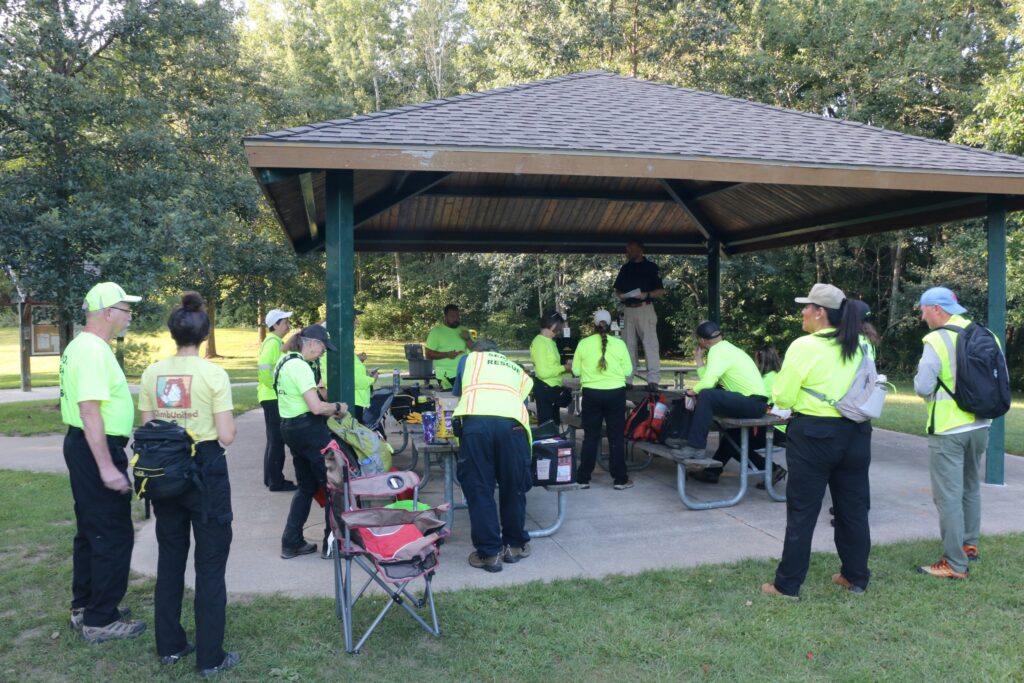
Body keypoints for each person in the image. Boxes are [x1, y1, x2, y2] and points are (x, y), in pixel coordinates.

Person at [138, 293, 239, 676]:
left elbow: (149, 427)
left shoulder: (152, 373)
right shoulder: (213, 374)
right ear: (204, 333)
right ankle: (211, 657)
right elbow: (226, 435)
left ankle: (170, 645)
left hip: (164, 473)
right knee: (210, 565)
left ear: (172, 331)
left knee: (170, 558)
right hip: (206, 472)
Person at [762, 284, 875, 599]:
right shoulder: (864, 344)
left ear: (820, 312)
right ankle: (855, 578)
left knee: (802, 511)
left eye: (806, 306)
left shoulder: (804, 346)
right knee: (853, 509)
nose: (803, 312)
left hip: (813, 435)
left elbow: (782, 395)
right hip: (857, 434)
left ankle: (787, 585)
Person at [59, 281, 147, 642]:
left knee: (91, 529)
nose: (130, 315)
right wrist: (107, 466)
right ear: (109, 313)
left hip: (82, 445)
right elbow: (89, 410)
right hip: (96, 448)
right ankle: (100, 619)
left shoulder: (81, 346)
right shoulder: (93, 350)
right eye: (126, 309)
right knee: (112, 532)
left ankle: (86, 606)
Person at [913, 287, 991, 579]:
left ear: (937, 309)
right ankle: (970, 545)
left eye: (923, 309)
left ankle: (955, 563)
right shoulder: (985, 334)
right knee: (970, 487)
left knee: (947, 496)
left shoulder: (936, 339)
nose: (922, 316)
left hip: (948, 429)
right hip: (981, 425)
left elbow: (922, 387)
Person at [451, 340, 534, 572]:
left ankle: (489, 555)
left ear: (476, 352)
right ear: (497, 353)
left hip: (476, 425)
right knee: (513, 485)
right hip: (513, 427)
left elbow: (459, 393)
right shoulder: (514, 366)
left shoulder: (468, 360)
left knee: (479, 488)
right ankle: (514, 546)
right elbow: (523, 401)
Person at [275, 325, 348, 560]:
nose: (323, 352)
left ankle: (291, 541)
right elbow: (316, 407)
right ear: (312, 343)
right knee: (333, 485)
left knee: (306, 487)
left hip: (289, 428)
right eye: (323, 348)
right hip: (309, 430)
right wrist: (337, 408)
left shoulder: (284, 361)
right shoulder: (301, 367)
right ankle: (333, 544)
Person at [677, 322, 770, 474]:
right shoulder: (726, 348)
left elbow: (708, 384)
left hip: (753, 402)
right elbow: (706, 379)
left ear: (702, 340)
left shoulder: (717, 352)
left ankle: (695, 447)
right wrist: (699, 361)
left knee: (705, 395)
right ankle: (710, 472)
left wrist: (691, 392)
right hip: (753, 402)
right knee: (707, 398)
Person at [572, 310, 634, 490]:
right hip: (616, 393)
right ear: (610, 323)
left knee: (590, 436)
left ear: (593, 324)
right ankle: (620, 479)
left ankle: (583, 478)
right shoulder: (620, 344)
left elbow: (575, 371)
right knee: (616, 437)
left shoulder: (583, 343)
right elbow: (628, 371)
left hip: (591, 393)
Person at [613, 239, 665, 389]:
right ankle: (627, 379)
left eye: (631, 249)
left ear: (640, 250)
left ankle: (653, 380)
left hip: (645, 307)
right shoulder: (625, 268)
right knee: (627, 344)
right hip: (628, 309)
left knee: (650, 344)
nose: (628, 252)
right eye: (627, 249)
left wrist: (646, 294)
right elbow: (617, 288)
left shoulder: (651, 267)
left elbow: (660, 290)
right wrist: (621, 295)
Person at [257, 308, 296, 492]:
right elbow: (264, 367)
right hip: (272, 397)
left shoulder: (274, 341)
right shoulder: (272, 342)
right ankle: (276, 481)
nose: (288, 325)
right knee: (277, 439)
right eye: (285, 322)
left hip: (270, 396)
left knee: (273, 439)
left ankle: (270, 478)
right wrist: (276, 387)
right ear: (276, 324)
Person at [529, 311, 572, 427]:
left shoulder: (550, 342)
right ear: (552, 326)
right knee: (547, 427)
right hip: (545, 388)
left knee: (555, 424)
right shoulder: (539, 343)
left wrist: (565, 367)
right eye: (558, 329)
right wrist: (564, 368)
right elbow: (543, 372)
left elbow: (553, 365)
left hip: (553, 386)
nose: (558, 332)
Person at [425, 304, 473, 389]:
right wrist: (447, 354)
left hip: (464, 373)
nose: (456, 319)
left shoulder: (464, 330)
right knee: (450, 400)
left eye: (458, 316)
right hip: (446, 376)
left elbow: (474, 350)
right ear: (445, 317)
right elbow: (428, 355)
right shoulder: (436, 332)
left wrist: (468, 339)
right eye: (452, 316)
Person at [352, 310, 378, 424]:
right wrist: (372, 379)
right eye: (353, 319)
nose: (357, 322)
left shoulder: (344, 338)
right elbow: (355, 379)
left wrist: (357, 358)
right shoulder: (340, 339)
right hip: (353, 400)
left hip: (356, 400)